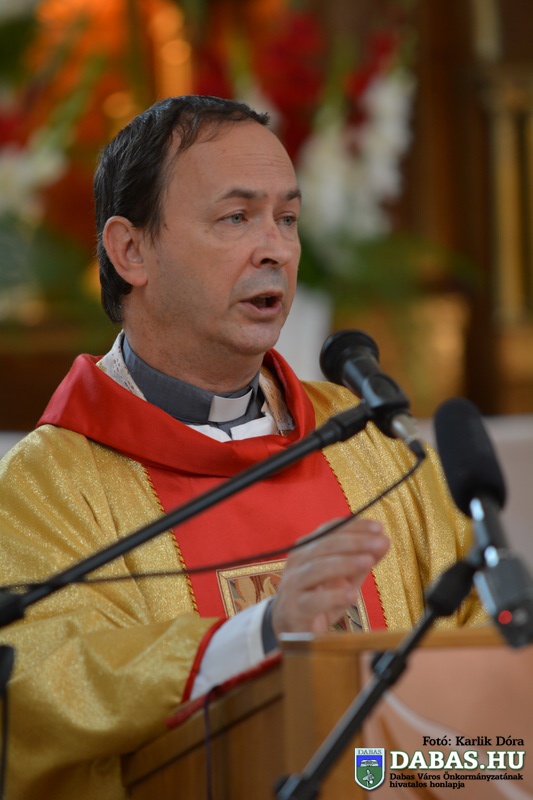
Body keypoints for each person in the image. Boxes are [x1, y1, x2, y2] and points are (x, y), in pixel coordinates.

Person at [0, 95, 485, 799]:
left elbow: (481, 673)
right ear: (130, 250)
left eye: (287, 219)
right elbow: (40, 688)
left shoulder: (372, 445)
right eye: (237, 218)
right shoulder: (48, 487)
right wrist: (259, 634)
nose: (276, 249)